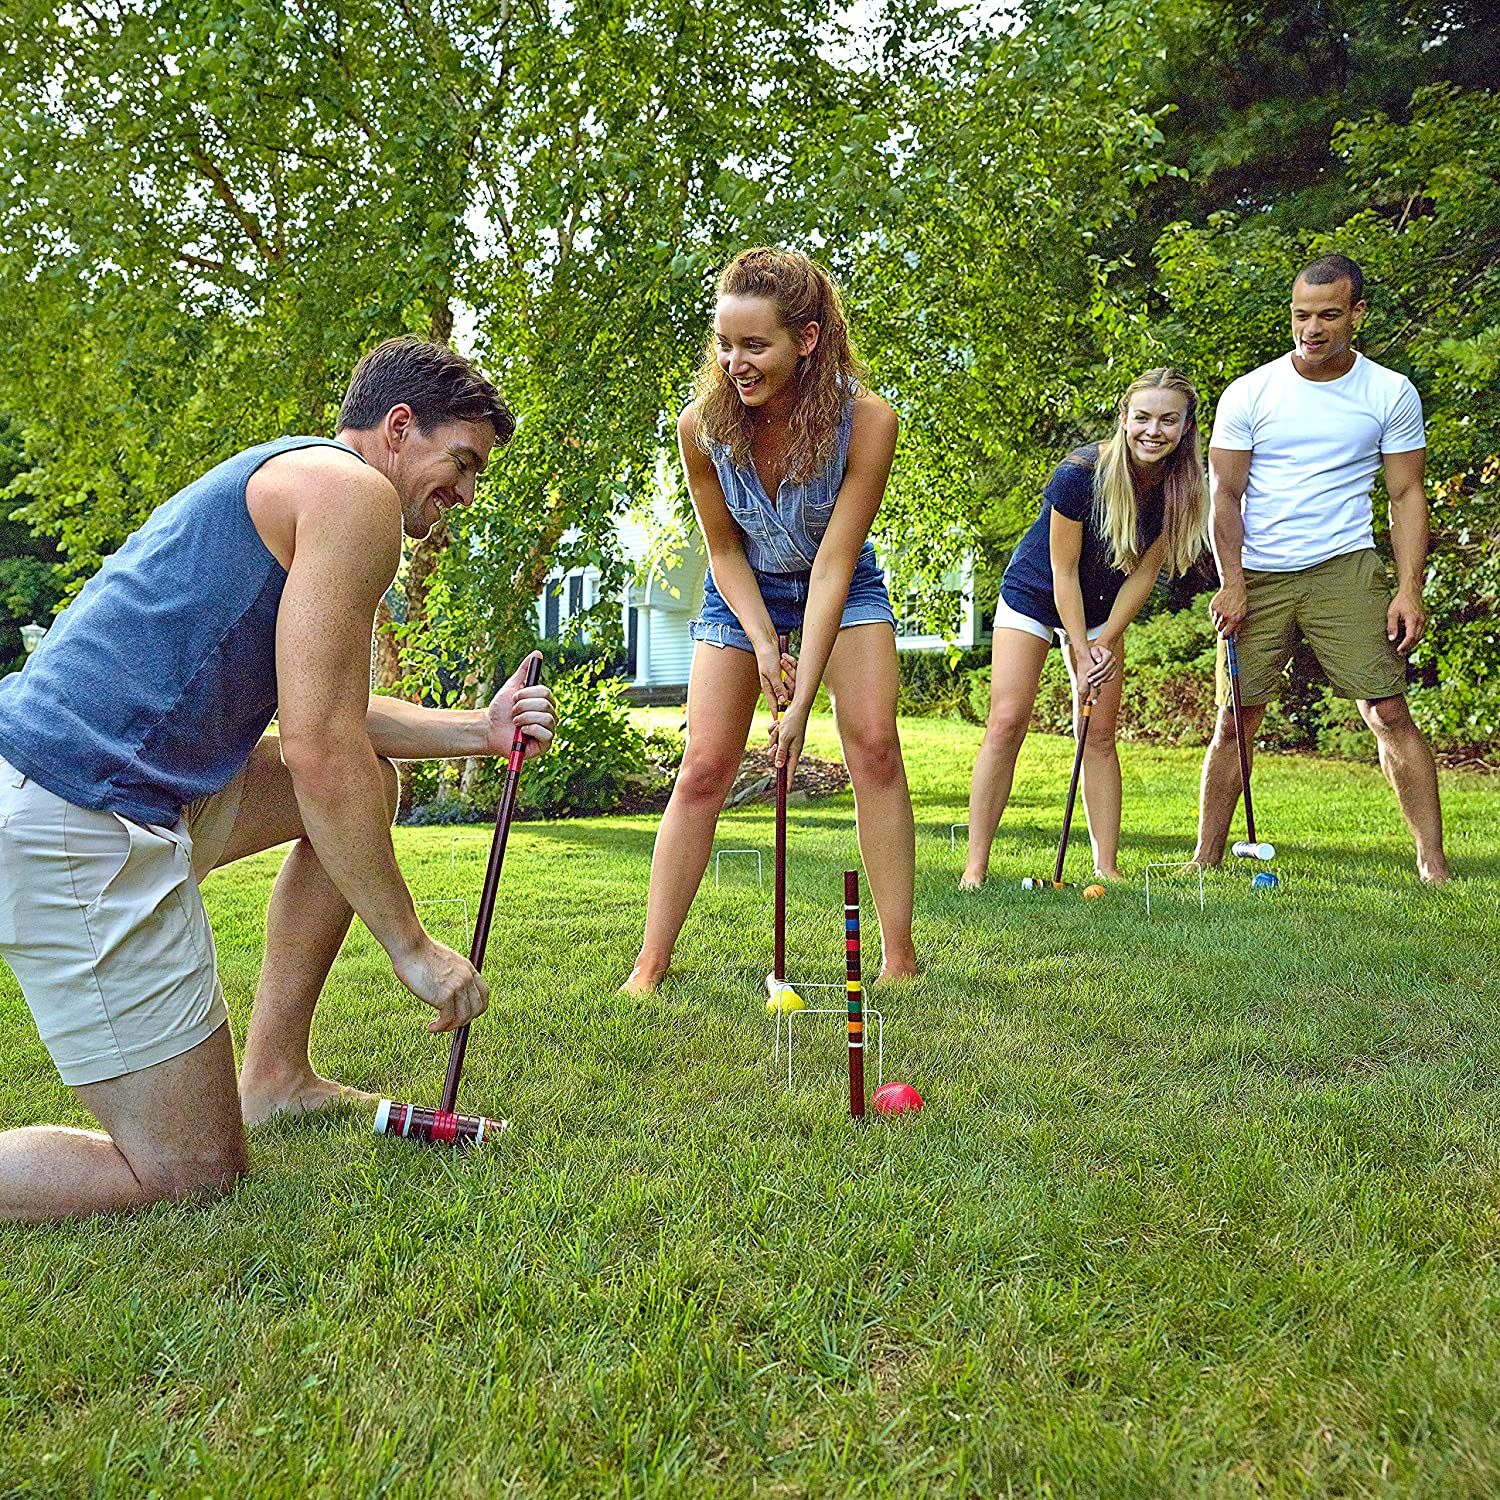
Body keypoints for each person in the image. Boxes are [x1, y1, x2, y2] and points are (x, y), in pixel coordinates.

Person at [0, 336, 558, 1222]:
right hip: (78, 811)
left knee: (371, 780)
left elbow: (327, 709)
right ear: (400, 427)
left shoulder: (303, 480)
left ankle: (277, 1076)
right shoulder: (353, 495)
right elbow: (318, 744)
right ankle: (246, 1097)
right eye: (461, 463)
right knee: (190, 1173)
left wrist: (478, 732)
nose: (464, 494)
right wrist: (412, 947)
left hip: (112, 785)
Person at [622, 247, 917, 993]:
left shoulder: (867, 423)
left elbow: (832, 567)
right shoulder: (703, 429)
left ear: (807, 340)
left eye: (755, 345)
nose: (734, 363)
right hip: (744, 590)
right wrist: (760, 642)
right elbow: (722, 549)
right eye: (725, 344)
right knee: (703, 769)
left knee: (875, 747)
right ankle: (651, 964)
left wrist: (800, 703)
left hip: (840, 589)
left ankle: (898, 958)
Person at [1190, 254, 1450, 883]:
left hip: (1345, 566)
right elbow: (1222, 494)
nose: (1313, 328)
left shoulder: (1390, 392)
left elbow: (1406, 495)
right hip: (1259, 574)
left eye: (1329, 315)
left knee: (1388, 711)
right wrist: (1232, 581)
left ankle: (1433, 864)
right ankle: (1205, 860)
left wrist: (1408, 590)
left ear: (1356, 314)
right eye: (1303, 315)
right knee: (1235, 719)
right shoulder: (1250, 392)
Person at [961, 369, 1208, 888]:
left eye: (1168, 420)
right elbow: (1062, 570)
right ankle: (975, 868)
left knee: (1096, 732)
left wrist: (1104, 640)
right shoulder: (1080, 473)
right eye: (1142, 417)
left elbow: (1145, 572)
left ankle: (1106, 867)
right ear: (1124, 418)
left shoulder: (1183, 488)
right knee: (1007, 720)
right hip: (1036, 592)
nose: (1152, 430)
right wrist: (1079, 648)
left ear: (1186, 427)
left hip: (1106, 604)